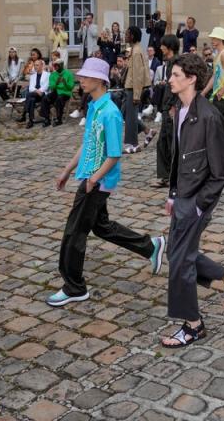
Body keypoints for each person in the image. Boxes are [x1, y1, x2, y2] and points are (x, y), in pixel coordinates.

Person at [46, 57, 165, 308]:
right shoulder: (94, 106)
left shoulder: (110, 113)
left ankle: (74, 287)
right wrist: (68, 170)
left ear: (100, 81)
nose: (81, 80)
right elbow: (88, 143)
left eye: (86, 77)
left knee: (74, 232)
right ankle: (151, 247)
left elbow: (114, 154)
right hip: (91, 176)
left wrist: (94, 179)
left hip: (98, 181)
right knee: (101, 226)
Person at [158, 53, 224, 348]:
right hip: (182, 197)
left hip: (197, 201)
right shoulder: (180, 111)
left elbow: (221, 172)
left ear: (192, 79)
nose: (170, 79)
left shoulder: (209, 117)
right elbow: (178, 161)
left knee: (180, 259)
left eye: (176, 75)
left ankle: (193, 325)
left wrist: (198, 204)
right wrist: (173, 195)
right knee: (177, 252)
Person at [202, 27, 224, 165]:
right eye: (212, 38)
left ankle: (214, 154)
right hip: (219, 93)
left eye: (215, 38)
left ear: (221, 39)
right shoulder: (219, 54)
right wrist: (204, 92)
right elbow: (215, 77)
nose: (212, 41)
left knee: (212, 122)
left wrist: (222, 91)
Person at [152, 35, 180, 188]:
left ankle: (172, 176)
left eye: (163, 45)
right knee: (164, 142)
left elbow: (177, 87)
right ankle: (166, 176)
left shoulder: (176, 63)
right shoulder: (170, 63)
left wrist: (174, 106)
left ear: (169, 47)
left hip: (171, 107)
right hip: (166, 107)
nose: (160, 48)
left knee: (170, 142)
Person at [123, 26, 155, 153]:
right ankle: (148, 131)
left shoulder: (136, 52)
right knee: (128, 115)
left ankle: (133, 144)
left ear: (133, 36)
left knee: (130, 117)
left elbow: (137, 75)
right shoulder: (135, 50)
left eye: (127, 34)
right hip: (130, 87)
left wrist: (136, 95)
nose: (125, 36)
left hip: (133, 89)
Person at [42, 59, 76, 126]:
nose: (55, 67)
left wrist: (65, 83)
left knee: (59, 99)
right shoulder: (53, 75)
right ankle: (47, 119)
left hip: (65, 93)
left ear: (62, 65)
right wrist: (57, 83)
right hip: (56, 92)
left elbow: (71, 87)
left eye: (57, 65)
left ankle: (59, 119)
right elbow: (52, 87)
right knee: (45, 98)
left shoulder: (68, 74)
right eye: (54, 65)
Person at [19, 58, 49, 128]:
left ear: (41, 66)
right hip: (35, 94)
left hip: (43, 95)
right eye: (35, 65)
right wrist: (37, 91)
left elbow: (46, 86)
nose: (35, 67)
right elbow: (30, 88)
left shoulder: (47, 75)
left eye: (37, 65)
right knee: (31, 100)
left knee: (29, 95)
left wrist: (40, 91)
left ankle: (24, 113)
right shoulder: (33, 76)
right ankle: (31, 121)